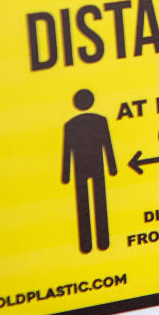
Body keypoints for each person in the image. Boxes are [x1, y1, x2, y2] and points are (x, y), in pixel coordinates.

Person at [61, 88, 117, 253]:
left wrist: (66, 174)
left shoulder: (71, 124)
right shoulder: (99, 121)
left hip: (82, 168)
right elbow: (107, 146)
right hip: (95, 166)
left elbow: (67, 152)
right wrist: (112, 167)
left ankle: (88, 244)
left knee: (84, 203)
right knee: (98, 203)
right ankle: (102, 241)